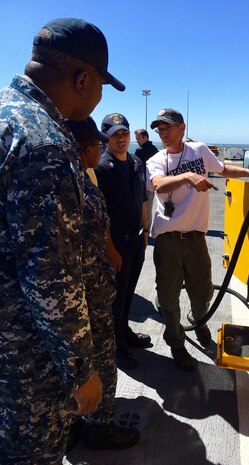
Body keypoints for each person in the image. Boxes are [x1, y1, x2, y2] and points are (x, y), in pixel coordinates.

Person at [0, 17, 125, 465]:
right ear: (82, 78)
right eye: (100, 86)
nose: (98, 97)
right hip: (28, 360)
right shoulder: (44, 143)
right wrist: (80, 371)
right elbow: (49, 275)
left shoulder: (5, 115)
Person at [147, 108, 249, 371]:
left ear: (182, 128)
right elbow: (159, 185)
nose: (163, 133)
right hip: (168, 241)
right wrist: (187, 176)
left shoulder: (199, 151)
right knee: (168, 297)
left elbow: (222, 169)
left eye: (168, 127)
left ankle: (198, 322)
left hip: (197, 239)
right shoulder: (155, 160)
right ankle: (175, 342)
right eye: (159, 129)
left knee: (203, 291)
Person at [65, 117, 140, 450]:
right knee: (102, 360)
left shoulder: (71, 180)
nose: (101, 149)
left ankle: (75, 423)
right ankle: (101, 425)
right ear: (86, 149)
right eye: (97, 144)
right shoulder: (80, 185)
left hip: (77, 291)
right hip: (87, 293)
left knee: (73, 362)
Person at [95, 113, 151, 370]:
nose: (121, 138)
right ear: (105, 136)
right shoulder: (100, 168)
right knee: (115, 297)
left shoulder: (137, 163)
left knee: (129, 292)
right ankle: (116, 347)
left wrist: (146, 231)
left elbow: (142, 200)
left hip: (137, 238)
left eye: (124, 133)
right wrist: (110, 249)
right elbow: (100, 213)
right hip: (116, 241)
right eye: (115, 133)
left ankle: (125, 332)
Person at [134, 129, 159, 230]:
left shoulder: (139, 150)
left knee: (140, 208)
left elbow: (136, 168)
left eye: (138, 138)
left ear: (145, 137)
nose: (137, 141)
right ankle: (146, 230)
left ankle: (142, 230)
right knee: (148, 208)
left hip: (141, 183)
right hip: (151, 182)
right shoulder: (155, 149)